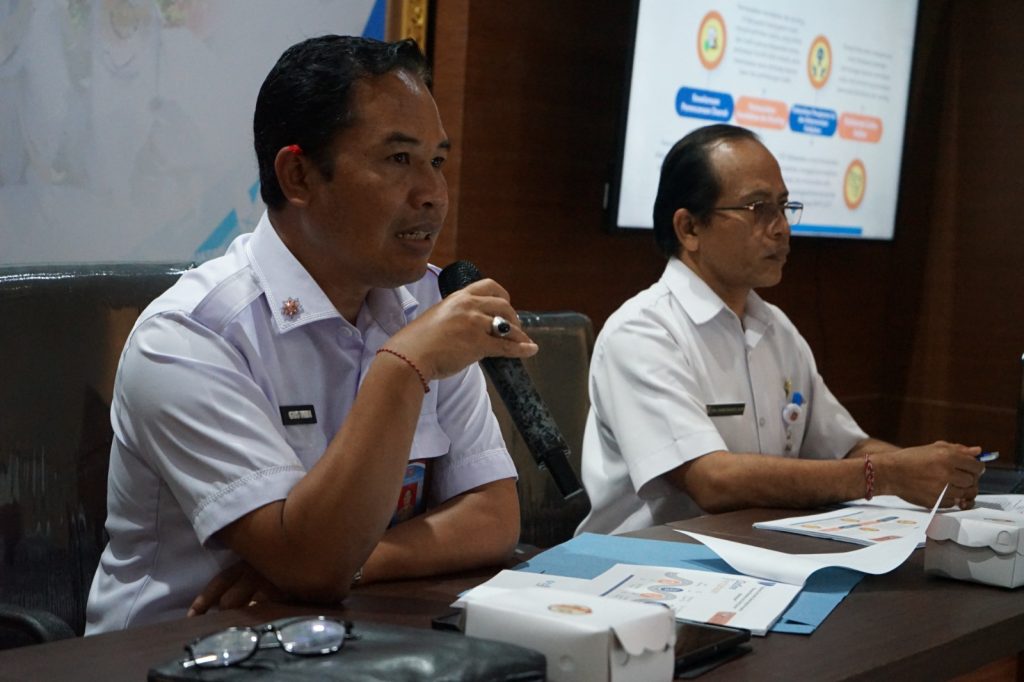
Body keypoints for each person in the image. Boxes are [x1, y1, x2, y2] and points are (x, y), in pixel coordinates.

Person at [85, 35, 538, 633]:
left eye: (436, 162)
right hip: (179, 650)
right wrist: (402, 366)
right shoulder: (189, 337)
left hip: (351, 636)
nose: (433, 195)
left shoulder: (425, 306)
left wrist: (360, 563)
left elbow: (492, 517)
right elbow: (313, 565)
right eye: (398, 160)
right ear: (298, 175)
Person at [576, 124, 984, 536]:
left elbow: (846, 447)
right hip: (644, 561)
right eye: (758, 209)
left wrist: (936, 472)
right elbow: (711, 480)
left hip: (755, 552)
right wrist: (885, 475)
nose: (782, 228)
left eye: (784, 207)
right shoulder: (642, 332)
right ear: (690, 229)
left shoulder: (775, 328)